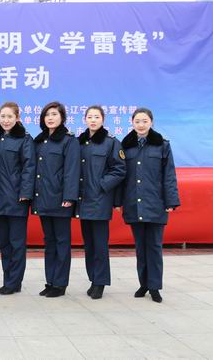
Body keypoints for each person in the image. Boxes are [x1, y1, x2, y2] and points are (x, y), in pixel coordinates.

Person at [117, 107, 180, 303]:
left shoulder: (162, 145)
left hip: (156, 203)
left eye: (144, 121)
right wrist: (118, 202)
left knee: (154, 246)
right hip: (133, 203)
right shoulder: (125, 146)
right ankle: (143, 283)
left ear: (151, 122)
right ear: (132, 123)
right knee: (140, 247)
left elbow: (169, 175)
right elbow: (120, 176)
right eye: (137, 121)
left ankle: (154, 286)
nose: (141, 125)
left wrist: (170, 201)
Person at [76, 106, 126, 299]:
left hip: (100, 200)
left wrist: (101, 185)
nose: (93, 120)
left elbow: (119, 169)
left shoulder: (111, 142)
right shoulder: (80, 142)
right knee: (88, 244)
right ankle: (93, 279)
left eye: (97, 117)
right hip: (83, 200)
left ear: (103, 120)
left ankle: (101, 282)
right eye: (90, 117)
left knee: (99, 245)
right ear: (85, 119)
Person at [32, 101, 80, 298]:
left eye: (54, 114)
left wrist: (69, 196)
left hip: (60, 199)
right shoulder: (40, 140)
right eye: (47, 115)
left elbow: (72, 170)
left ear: (62, 118)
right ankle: (50, 281)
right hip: (43, 198)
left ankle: (60, 284)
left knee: (62, 242)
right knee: (49, 241)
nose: (50, 118)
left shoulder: (69, 141)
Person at [0, 102, 35, 295]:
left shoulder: (24, 139)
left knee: (17, 243)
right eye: (3, 116)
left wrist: (25, 194)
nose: (6, 120)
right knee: (5, 243)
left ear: (17, 118)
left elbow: (29, 167)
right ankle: (8, 279)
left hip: (17, 198)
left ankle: (14, 282)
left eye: (10, 117)